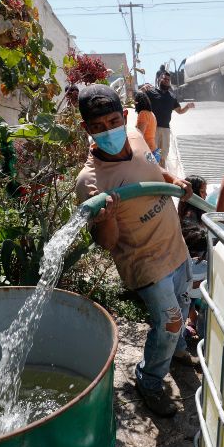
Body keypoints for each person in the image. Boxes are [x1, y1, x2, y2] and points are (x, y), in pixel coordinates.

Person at [74, 84, 195, 417]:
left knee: (183, 307)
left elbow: (155, 170)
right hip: (145, 263)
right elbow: (107, 243)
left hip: (175, 245)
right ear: (87, 129)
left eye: (112, 121)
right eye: (97, 128)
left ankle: (178, 350)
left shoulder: (137, 135)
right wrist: (107, 219)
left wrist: (174, 180)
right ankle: (150, 380)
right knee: (169, 323)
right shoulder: (91, 183)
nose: (107, 132)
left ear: (123, 116)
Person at [177, 175, 208, 347]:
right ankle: (201, 334)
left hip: (189, 281)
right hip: (197, 277)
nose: (205, 195)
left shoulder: (183, 214)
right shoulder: (194, 220)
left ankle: (190, 326)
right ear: (194, 193)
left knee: (186, 297)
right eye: (203, 191)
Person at [144, 71, 195, 168]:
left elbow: (179, 111)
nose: (166, 81)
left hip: (166, 130)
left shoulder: (172, 97)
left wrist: (187, 106)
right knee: (152, 153)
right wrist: (142, 89)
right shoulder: (151, 92)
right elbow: (138, 98)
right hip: (152, 128)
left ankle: (162, 175)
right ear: (159, 79)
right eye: (164, 79)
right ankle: (151, 173)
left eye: (168, 80)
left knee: (163, 155)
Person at [134, 91, 158, 159]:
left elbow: (140, 135)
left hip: (148, 151)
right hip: (155, 150)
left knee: (147, 169)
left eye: (135, 102)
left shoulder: (143, 114)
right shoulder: (151, 114)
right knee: (154, 169)